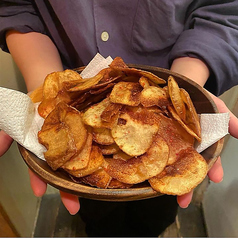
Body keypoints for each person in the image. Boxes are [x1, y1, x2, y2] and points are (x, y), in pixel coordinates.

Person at [1, 0, 238, 236]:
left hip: (166, 146)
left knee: (154, 219)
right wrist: (45, 90)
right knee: (97, 219)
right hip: (81, 138)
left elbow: (222, 12)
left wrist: (182, 93)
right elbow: (16, 7)